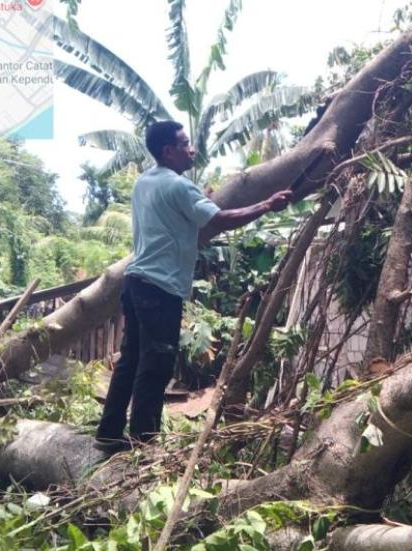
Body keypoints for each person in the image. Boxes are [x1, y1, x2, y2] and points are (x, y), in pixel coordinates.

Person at [95, 120, 292, 452]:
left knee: (131, 360)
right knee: (155, 365)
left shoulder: (145, 182)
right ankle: (145, 444)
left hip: (136, 283)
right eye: (185, 144)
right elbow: (220, 219)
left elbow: (181, 216)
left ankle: (109, 432)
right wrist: (266, 205)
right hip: (160, 288)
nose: (192, 149)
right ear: (168, 151)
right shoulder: (179, 186)